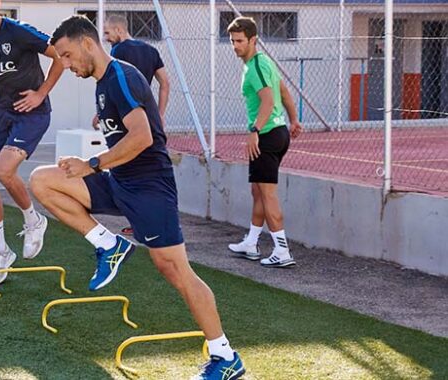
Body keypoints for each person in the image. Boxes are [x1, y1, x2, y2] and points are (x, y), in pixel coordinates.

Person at [31, 16, 245, 379]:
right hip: (120, 181)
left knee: (175, 269)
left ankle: (225, 357)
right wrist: (93, 166)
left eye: (67, 56)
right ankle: (107, 244)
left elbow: (143, 136)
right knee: (42, 181)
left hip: (149, 188)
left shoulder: (122, 77)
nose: (65, 66)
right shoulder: (102, 84)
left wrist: (92, 164)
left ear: (87, 43)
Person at [0, 0, 64, 285]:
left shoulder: (19, 32)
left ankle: (34, 221)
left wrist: (41, 93)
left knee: (5, 170)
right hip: (4, 112)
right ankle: (0, 251)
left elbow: (59, 56)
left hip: (32, 113)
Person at [226, 17, 302, 268]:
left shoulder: (256, 67)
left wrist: (254, 130)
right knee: (257, 190)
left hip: (267, 136)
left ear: (253, 40)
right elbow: (284, 92)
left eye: (240, 41)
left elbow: (269, 100)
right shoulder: (264, 63)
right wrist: (294, 120)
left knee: (268, 194)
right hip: (278, 133)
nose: (235, 46)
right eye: (232, 41)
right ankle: (252, 242)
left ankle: (282, 251)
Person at [101, 13, 171, 235]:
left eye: (107, 32)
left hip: (126, 118)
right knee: (150, 168)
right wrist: (160, 113)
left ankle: (142, 221)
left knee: (128, 168)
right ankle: (151, 220)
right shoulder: (151, 51)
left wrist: (102, 112)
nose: (106, 37)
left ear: (119, 30)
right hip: (148, 115)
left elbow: (114, 83)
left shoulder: (118, 53)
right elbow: (165, 83)